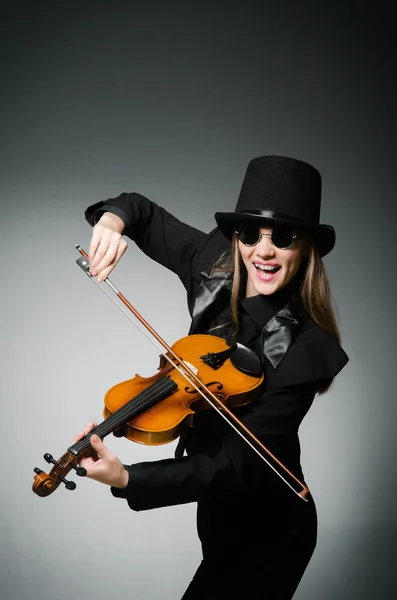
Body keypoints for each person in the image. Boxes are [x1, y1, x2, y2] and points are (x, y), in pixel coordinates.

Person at [74, 156, 349, 599]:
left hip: (271, 529)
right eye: (248, 234)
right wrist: (114, 219)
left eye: (283, 237)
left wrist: (129, 478)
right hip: (218, 515)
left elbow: (235, 467)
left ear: (306, 248)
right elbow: (140, 211)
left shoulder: (307, 351)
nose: (262, 251)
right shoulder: (213, 268)